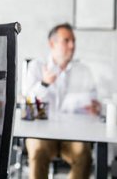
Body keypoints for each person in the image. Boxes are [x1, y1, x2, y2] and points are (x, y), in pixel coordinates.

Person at [22, 23, 99, 179]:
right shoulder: (36, 67)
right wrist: (44, 83)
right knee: (37, 151)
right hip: (41, 133)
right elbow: (27, 103)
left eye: (74, 41)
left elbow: (93, 101)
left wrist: (95, 108)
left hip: (73, 134)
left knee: (84, 154)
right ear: (52, 43)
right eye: (67, 40)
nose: (72, 45)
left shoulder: (83, 71)